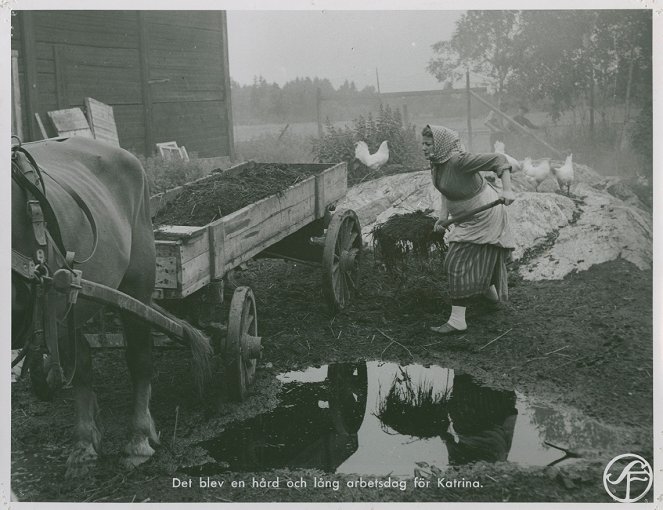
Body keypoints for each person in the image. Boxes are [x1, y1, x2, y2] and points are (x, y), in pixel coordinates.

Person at [422, 125, 516, 335]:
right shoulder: (437, 163)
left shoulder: (459, 161)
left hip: (485, 215)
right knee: (480, 255)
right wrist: (443, 216)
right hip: (465, 216)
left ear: (440, 145)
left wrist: (507, 189)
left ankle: (457, 320)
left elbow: (499, 160)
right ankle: (490, 295)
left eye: (428, 144)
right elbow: (445, 190)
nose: (424, 148)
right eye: (423, 144)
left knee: (456, 260)